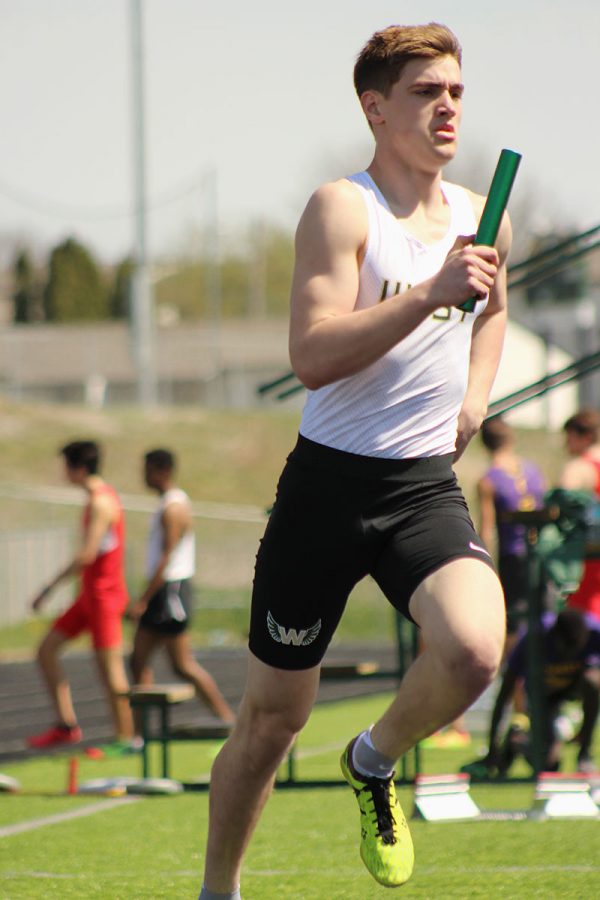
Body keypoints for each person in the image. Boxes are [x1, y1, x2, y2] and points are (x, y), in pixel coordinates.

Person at [200, 23, 511, 898]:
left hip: (419, 487)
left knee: (477, 650)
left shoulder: (488, 215)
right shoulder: (343, 208)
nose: (446, 105)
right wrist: (427, 294)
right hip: (328, 490)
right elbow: (313, 354)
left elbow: (492, 313)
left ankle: (373, 761)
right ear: (376, 109)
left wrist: (476, 397)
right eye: (424, 91)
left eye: (454, 90)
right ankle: (217, 890)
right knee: (270, 722)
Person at [28, 441, 133, 749]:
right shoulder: (95, 499)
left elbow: (86, 555)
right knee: (46, 650)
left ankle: (127, 739)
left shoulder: (101, 502)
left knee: (109, 670)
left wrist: (47, 588)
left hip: (104, 597)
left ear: (79, 468)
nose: (63, 473)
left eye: (66, 466)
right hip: (89, 596)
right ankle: (66, 724)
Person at [128, 449, 235, 730]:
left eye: (147, 469)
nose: (143, 476)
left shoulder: (174, 507)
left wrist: (143, 599)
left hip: (170, 591)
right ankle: (140, 735)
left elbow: (167, 556)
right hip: (163, 591)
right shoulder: (167, 503)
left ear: (161, 470)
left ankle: (227, 720)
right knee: (138, 661)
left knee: (181, 664)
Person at [463, 609, 600, 776]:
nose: (569, 656)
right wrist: (492, 749)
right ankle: (516, 740)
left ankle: (584, 755)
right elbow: (503, 695)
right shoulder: (533, 639)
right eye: (565, 649)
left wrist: (583, 731)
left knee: (592, 682)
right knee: (549, 766)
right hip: (543, 696)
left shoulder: (595, 632)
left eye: (575, 650)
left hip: (574, 687)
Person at [478, 417, 546, 647]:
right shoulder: (534, 470)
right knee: (541, 615)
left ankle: (513, 677)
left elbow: (486, 531)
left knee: (511, 621)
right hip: (540, 553)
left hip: (512, 556)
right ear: (511, 438)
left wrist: (483, 569)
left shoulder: (488, 481)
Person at [559, 409, 600, 623]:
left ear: (584, 437)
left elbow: (558, 506)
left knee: (584, 613)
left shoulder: (579, 467)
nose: (566, 445)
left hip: (589, 554)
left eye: (569, 437)